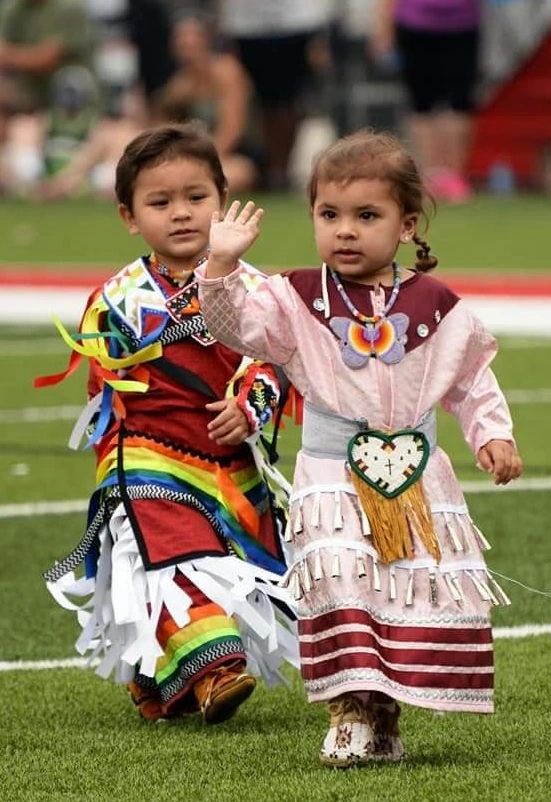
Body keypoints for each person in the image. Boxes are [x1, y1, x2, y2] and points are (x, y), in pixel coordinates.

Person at [196, 130, 523, 766]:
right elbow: (235, 329)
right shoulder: (295, 297)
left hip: (416, 480)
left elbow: (471, 379)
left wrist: (493, 433)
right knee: (342, 581)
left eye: (366, 216)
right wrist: (221, 266)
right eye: (329, 214)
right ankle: (347, 711)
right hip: (330, 478)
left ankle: (385, 711)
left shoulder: (437, 306)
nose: (345, 230)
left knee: (401, 590)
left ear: (407, 224)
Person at [37, 123, 298, 724]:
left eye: (196, 197)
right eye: (160, 202)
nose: (181, 213)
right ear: (129, 216)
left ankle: (156, 673)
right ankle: (215, 670)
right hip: (144, 455)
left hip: (229, 461)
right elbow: (103, 392)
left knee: (225, 565)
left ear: (222, 200)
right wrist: (114, 460)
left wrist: (251, 408)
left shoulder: (254, 289)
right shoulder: (117, 298)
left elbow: (275, 363)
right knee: (166, 549)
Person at [371, 0, 481, 203]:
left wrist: (384, 25)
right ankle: (442, 176)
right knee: (441, 104)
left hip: (447, 23)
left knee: (435, 104)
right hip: (428, 23)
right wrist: (385, 25)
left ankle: (443, 175)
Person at [218, 0, 333, 190]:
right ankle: (270, 170)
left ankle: (281, 171)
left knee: (287, 105)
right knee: (259, 105)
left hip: (295, 25)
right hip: (245, 28)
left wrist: (319, 35)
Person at [0, 0, 97, 188]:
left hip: (75, 105)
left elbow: (47, 58)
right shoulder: (13, 8)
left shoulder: (69, 7)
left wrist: (8, 55)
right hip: (29, 101)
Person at [157, 11, 257, 192]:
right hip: (193, 154)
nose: (187, 53)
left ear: (206, 42)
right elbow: (161, 125)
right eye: (182, 46)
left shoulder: (227, 72)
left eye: (192, 45)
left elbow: (233, 129)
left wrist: (203, 159)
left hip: (233, 154)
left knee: (235, 174)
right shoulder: (179, 84)